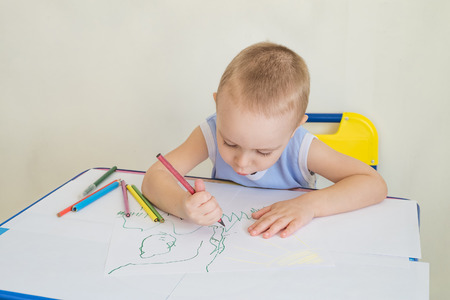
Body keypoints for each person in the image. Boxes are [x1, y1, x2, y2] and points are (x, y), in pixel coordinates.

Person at [142, 42, 387, 239]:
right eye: (229, 143)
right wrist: (183, 205)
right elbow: (154, 178)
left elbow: (373, 184)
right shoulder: (210, 130)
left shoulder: (301, 147)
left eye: (264, 151)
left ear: (293, 129)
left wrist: (309, 205)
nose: (242, 163)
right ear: (217, 104)